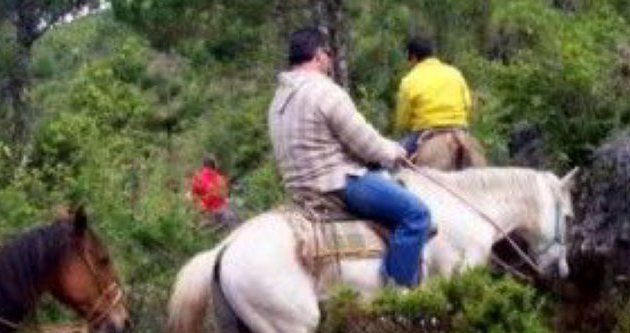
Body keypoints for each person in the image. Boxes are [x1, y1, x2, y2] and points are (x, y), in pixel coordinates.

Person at [268, 28, 431, 287]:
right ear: (318, 55)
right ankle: (397, 295)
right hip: (336, 185)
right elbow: (365, 142)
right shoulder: (325, 91)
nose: (330, 59)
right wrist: (395, 152)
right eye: (328, 53)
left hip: (300, 190)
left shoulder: (279, 99)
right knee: (417, 214)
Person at [394, 36, 472, 155]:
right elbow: (468, 105)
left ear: (413, 57)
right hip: (459, 128)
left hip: (424, 131)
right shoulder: (455, 73)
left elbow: (402, 121)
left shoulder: (409, 81)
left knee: (392, 155)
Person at [189, 156, 237, 228]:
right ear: (213, 165)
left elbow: (193, 197)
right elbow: (225, 195)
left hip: (208, 214)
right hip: (222, 210)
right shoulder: (219, 177)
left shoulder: (197, 178)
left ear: (203, 165)